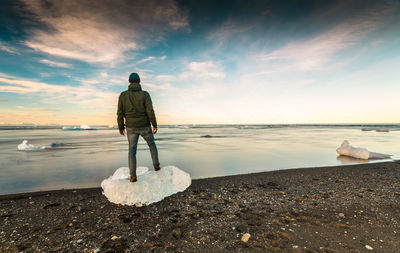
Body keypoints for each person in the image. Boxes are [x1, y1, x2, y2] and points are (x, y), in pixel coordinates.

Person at [117, 73, 160, 183]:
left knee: (132, 150)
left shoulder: (123, 95)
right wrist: (154, 124)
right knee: (152, 145)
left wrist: (121, 127)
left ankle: (133, 176)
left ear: (129, 81)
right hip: (145, 125)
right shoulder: (145, 94)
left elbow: (120, 113)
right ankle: (156, 166)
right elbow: (150, 110)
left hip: (131, 127)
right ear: (139, 81)